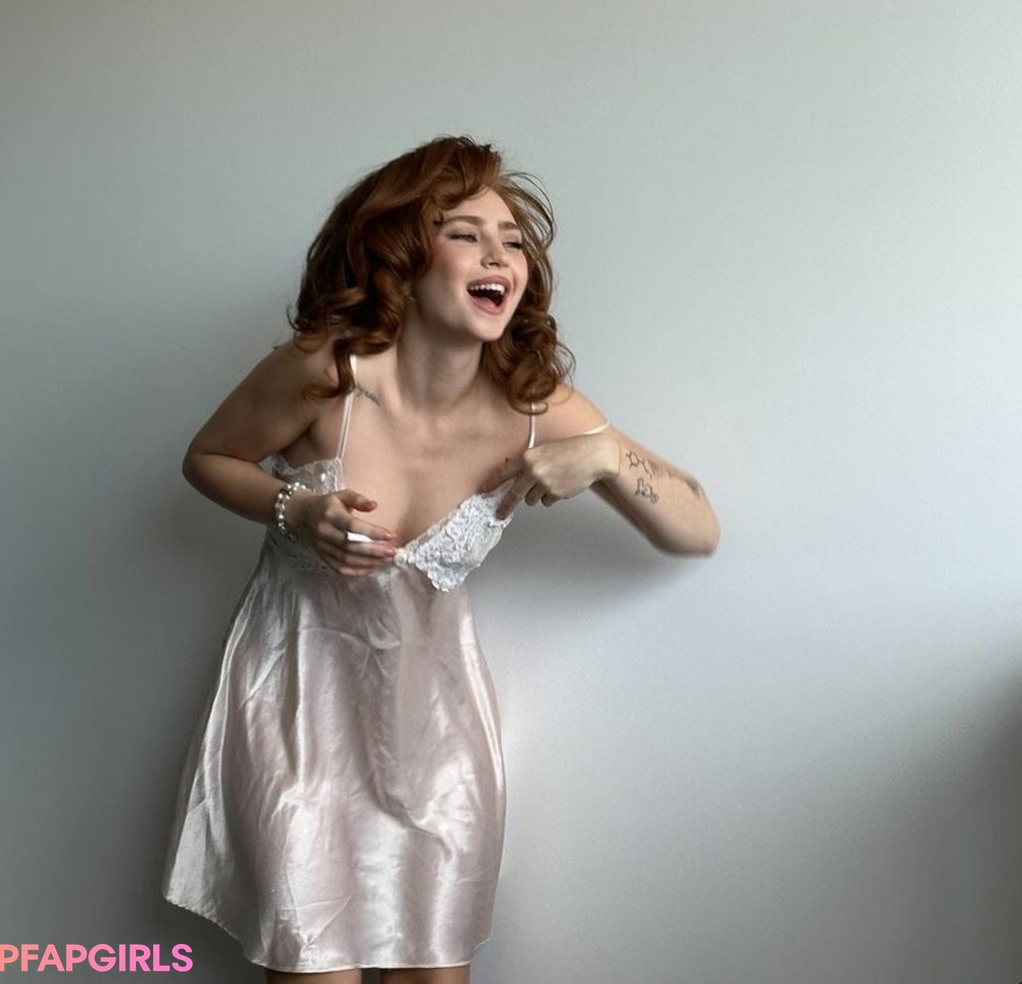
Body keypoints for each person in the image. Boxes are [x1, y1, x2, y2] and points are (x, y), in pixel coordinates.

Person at [162, 135, 719, 984]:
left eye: (512, 241)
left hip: (436, 739)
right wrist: (294, 509)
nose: (500, 256)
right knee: (310, 964)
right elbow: (206, 458)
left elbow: (695, 528)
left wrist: (607, 457)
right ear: (404, 259)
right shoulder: (326, 372)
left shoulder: (532, 404)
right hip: (295, 718)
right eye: (466, 234)